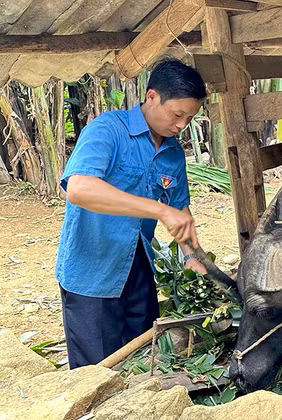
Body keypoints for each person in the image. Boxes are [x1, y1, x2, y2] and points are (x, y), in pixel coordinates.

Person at [56, 58, 209, 368]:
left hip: (138, 271)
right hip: (92, 274)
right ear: (152, 96)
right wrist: (159, 210)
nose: (181, 125)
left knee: (141, 364)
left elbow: (180, 210)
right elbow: (79, 189)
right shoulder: (108, 130)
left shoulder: (173, 151)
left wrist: (193, 257)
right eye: (177, 114)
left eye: (189, 118)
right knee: (96, 373)